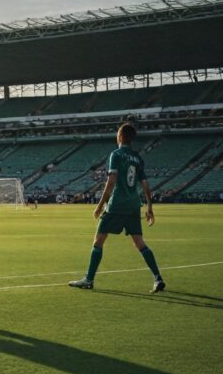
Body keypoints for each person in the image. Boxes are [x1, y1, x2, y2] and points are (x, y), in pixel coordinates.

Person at [69, 123, 165, 293]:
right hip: (134, 204)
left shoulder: (116, 154)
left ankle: (89, 279)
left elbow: (111, 181)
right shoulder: (137, 158)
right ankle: (158, 279)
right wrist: (150, 208)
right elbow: (145, 185)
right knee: (139, 242)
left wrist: (99, 206)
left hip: (117, 204)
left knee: (98, 241)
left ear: (119, 136)